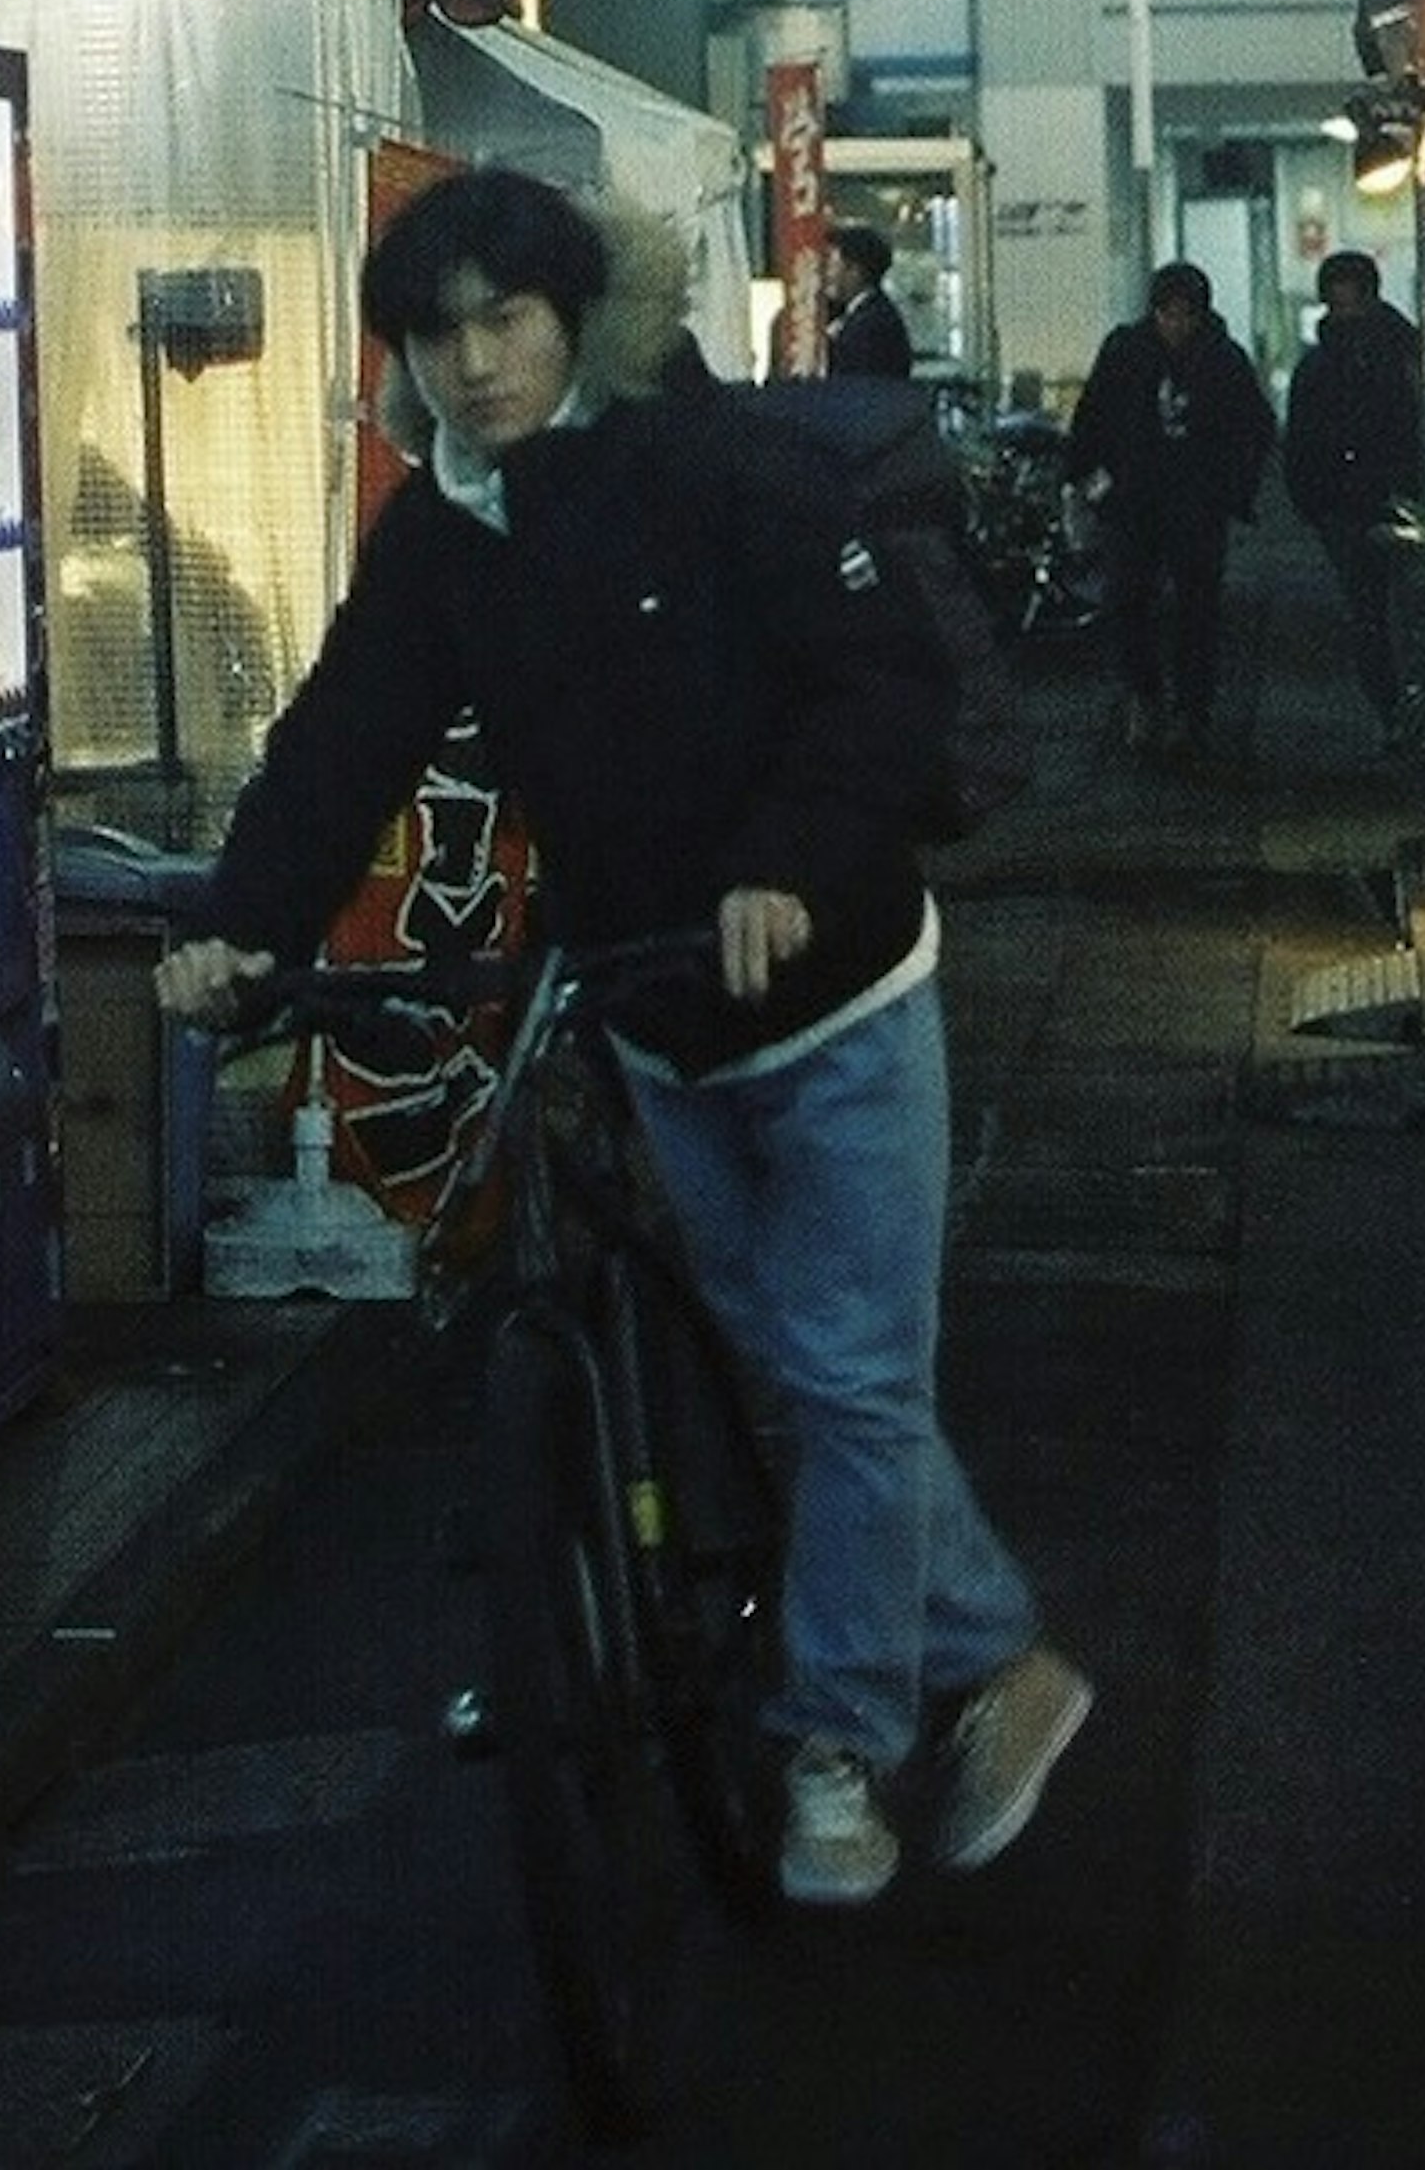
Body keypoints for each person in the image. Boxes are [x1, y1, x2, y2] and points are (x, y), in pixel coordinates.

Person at [151, 160, 1089, 1913]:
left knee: (849, 1374)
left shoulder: (717, 464)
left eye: (503, 318)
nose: (475, 362)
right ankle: (1009, 1657)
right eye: (438, 335)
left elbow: (880, 680)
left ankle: (835, 1742)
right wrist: (239, 930)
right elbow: (346, 737)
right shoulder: (440, 536)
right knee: (797, 1371)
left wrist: (787, 867)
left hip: (841, 996)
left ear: (573, 315)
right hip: (655, 1016)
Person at [1065, 258, 1275, 759]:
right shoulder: (1128, 352)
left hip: (1193, 505)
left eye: (1185, 315)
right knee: (1128, 600)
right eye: (1168, 314)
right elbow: (1091, 418)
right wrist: (1091, 482)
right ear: (1154, 312)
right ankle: (1147, 696)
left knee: (1195, 609)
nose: (1176, 324)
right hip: (1135, 503)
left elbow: (1256, 429)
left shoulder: (1222, 359)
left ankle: (1187, 710)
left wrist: (1230, 490)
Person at [1284, 247, 1425, 737]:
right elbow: (1300, 441)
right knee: (1384, 617)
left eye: (1351, 304)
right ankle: (1402, 717)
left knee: (1390, 617)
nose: (1345, 315)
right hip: (1365, 506)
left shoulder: (1332, 362)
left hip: (1382, 503)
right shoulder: (1405, 351)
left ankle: (1405, 717)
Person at [821, 221, 916, 380]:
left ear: (854, 271)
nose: (826, 274)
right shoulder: (863, 314)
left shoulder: (871, 325)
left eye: (832, 265)